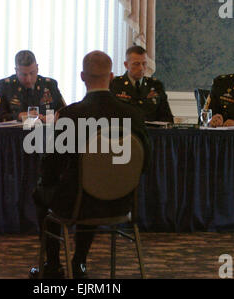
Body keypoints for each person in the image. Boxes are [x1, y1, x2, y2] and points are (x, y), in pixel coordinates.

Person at [29, 51, 151, 279]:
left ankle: (53, 266)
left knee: (43, 193)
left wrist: (45, 182)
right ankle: (80, 261)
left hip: (78, 205)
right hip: (122, 204)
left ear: (83, 76)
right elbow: (146, 164)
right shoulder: (133, 115)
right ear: (112, 76)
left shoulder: (71, 115)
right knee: (92, 188)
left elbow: (51, 168)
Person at [0, 50, 66, 122]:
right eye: (24, 75)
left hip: (46, 134)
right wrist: (18, 116)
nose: (28, 79)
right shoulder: (3, 86)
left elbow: (65, 112)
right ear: (16, 71)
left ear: (37, 68)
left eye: (32, 73)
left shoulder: (50, 84)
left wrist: (50, 118)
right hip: (15, 134)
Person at [110, 45, 174, 123]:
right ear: (126, 65)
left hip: (151, 133)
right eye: (136, 64)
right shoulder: (115, 84)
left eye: (144, 64)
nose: (141, 68)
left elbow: (167, 118)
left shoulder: (155, 85)